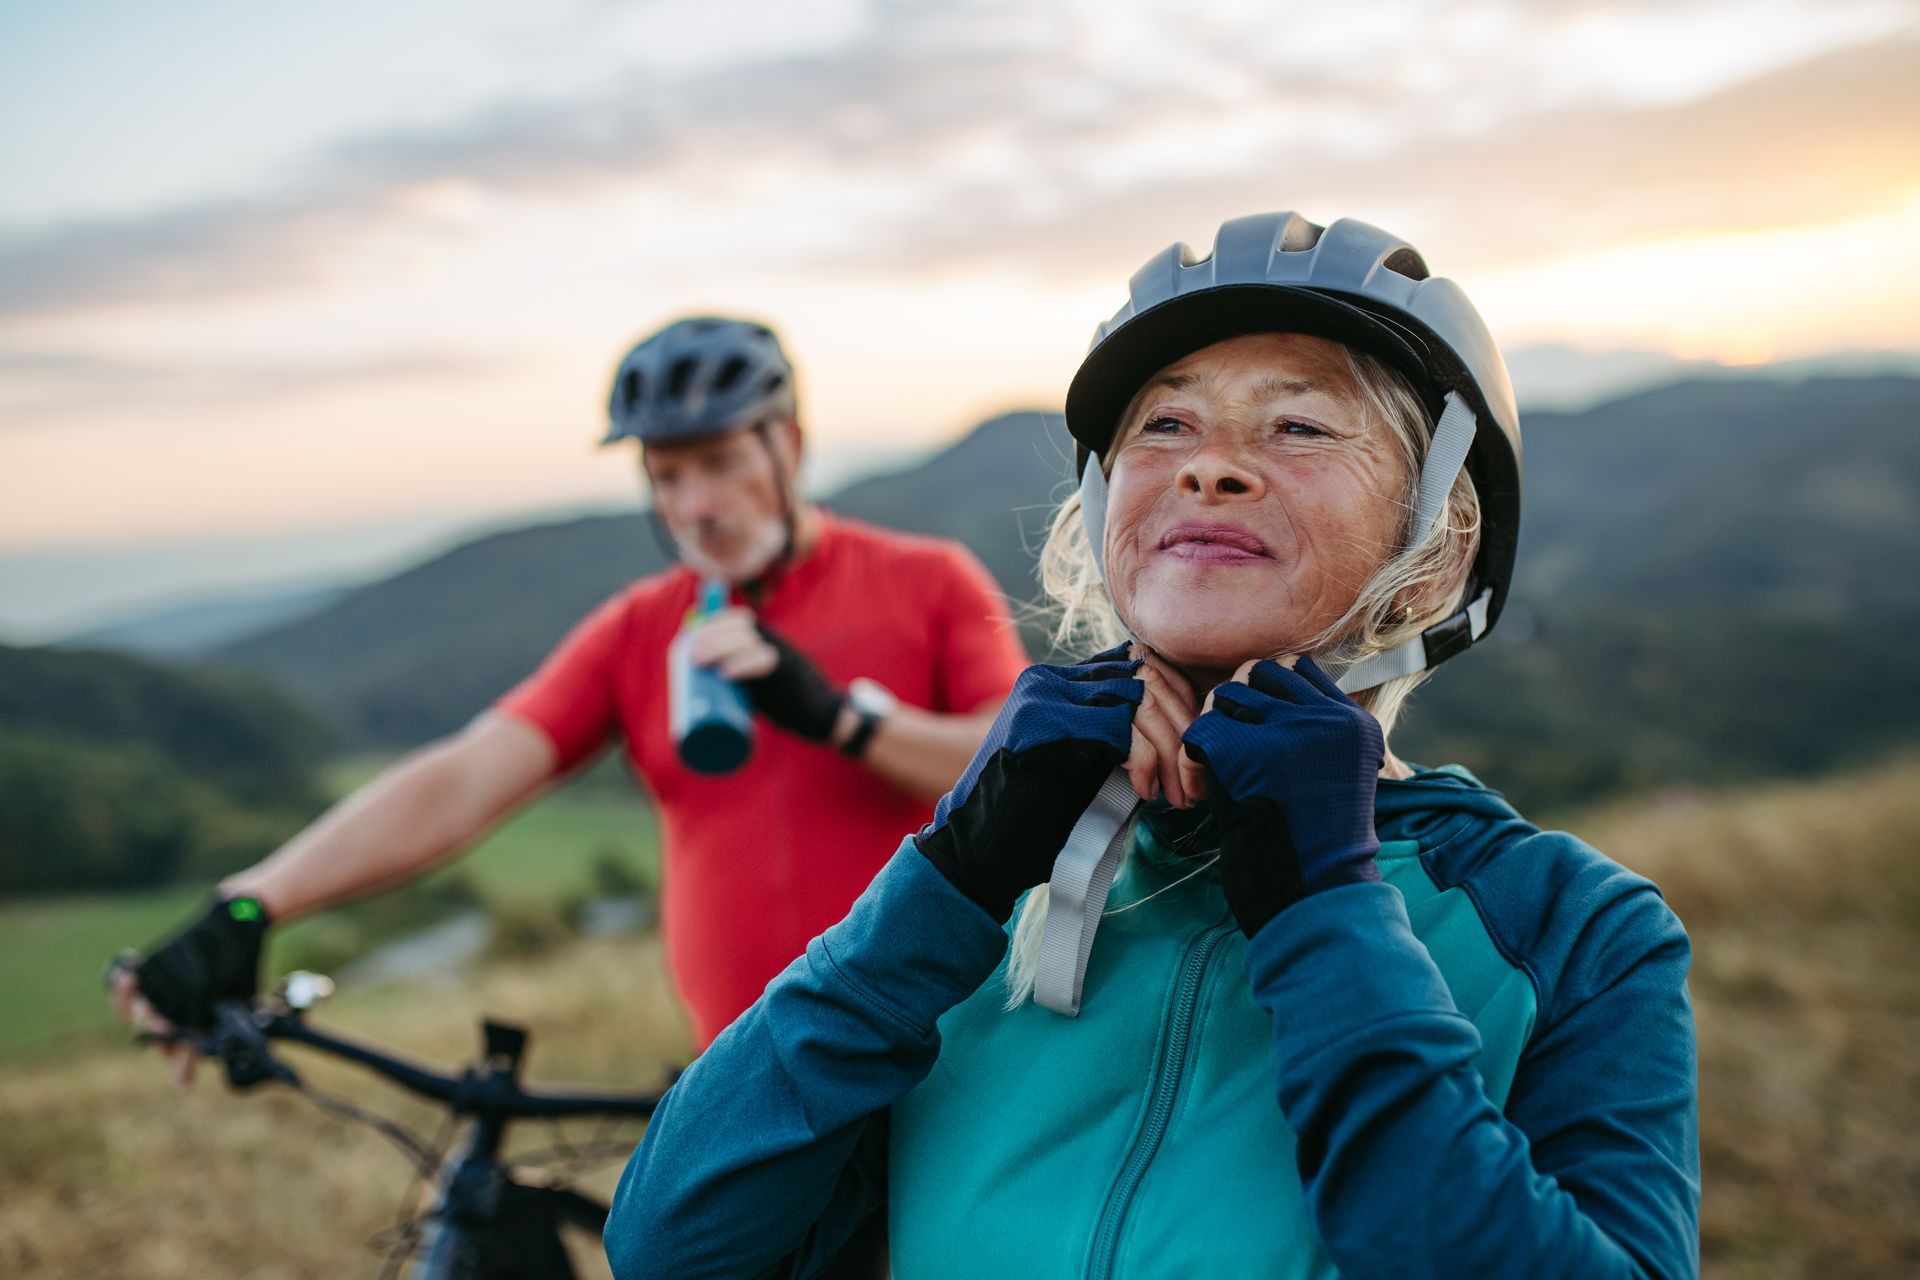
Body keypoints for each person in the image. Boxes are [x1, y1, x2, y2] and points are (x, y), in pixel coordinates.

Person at [603, 215, 1700, 1279]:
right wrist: (952, 870)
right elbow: (672, 1244)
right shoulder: (990, 912)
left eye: (1300, 426)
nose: (1210, 466)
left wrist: (1329, 913)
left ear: (1437, 537)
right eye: (1164, 426)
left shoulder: (1572, 928)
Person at [113, 315, 1029, 1070]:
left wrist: (842, 718)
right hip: (746, 1078)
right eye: (666, 475)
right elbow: (466, 778)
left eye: (718, 462)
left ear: (786, 446)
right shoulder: (641, 628)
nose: (695, 506)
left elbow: (1018, 760)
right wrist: (251, 902)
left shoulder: (927, 580)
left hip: (940, 1055)